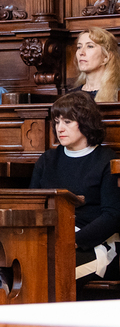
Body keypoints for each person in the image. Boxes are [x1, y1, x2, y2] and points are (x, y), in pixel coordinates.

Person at [30, 92, 120, 286]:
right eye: (57, 122)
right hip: (50, 243)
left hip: (96, 245)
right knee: (23, 271)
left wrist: (71, 240)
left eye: (67, 122)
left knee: (52, 275)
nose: (59, 128)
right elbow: (32, 207)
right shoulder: (47, 160)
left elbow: (112, 216)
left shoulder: (106, 159)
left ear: (86, 122)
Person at [70, 27, 120, 102]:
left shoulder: (117, 95)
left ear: (106, 57)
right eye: (79, 47)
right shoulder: (70, 97)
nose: (81, 52)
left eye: (90, 46)